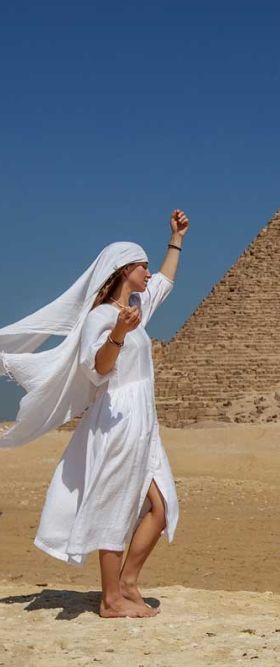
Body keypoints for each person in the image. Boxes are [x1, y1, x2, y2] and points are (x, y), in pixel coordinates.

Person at [0, 209, 189, 618]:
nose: (148, 270)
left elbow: (167, 281)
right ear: (124, 270)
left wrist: (176, 238)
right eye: (141, 265)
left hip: (144, 421)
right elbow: (98, 368)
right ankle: (110, 599)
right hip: (117, 417)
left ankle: (128, 582)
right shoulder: (100, 318)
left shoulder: (138, 306)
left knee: (163, 506)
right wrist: (119, 333)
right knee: (115, 503)